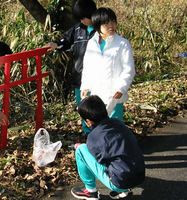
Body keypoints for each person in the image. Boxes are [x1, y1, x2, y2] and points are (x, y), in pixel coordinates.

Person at [71, 95, 145, 200]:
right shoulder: (118, 122)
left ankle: (90, 191)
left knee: (81, 150)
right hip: (140, 176)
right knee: (119, 157)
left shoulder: (93, 137)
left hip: (120, 182)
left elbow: (99, 162)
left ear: (88, 121)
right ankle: (124, 189)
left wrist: (82, 146)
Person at [43, 0, 97, 134]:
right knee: (83, 107)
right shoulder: (78, 29)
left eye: (83, 18)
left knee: (97, 106)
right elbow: (65, 40)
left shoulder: (101, 28)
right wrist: (55, 44)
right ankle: (88, 133)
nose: (82, 21)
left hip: (97, 77)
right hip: (79, 77)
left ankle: (101, 132)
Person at [81, 7, 135, 121]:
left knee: (114, 124)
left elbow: (128, 69)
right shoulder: (92, 43)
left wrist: (121, 88)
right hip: (96, 95)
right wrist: (85, 86)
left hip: (114, 94)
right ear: (97, 25)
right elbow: (87, 68)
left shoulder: (122, 43)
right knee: (98, 125)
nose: (111, 26)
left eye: (113, 22)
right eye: (106, 23)